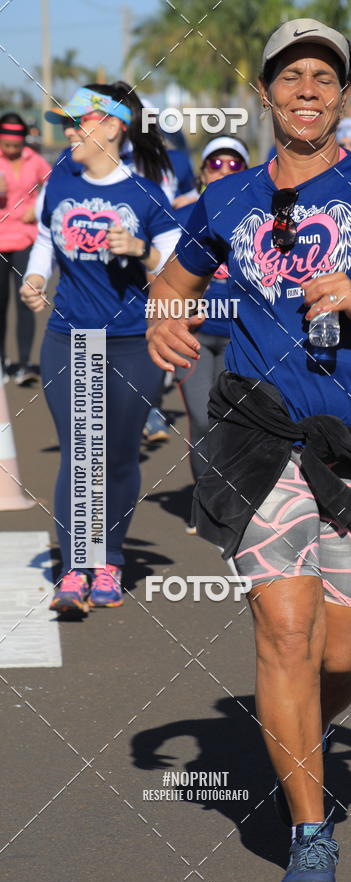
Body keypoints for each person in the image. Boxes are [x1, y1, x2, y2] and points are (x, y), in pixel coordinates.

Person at [147, 5, 351, 882]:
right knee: (286, 632)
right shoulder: (230, 197)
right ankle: (309, 831)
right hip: (257, 436)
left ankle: (297, 742)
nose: (308, 88)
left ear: (342, 93)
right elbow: (177, 276)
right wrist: (163, 312)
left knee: (342, 651)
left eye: (323, 75)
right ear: (264, 94)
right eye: (291, 75)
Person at [20, 83, 181, 618]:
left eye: (77, 122)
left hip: (134, 341)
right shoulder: (60, 179)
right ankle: (74, 567)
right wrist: (38, 277)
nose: (67, 132)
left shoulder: (146, 194)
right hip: (71, 336)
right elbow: (45, 236)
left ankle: (109, 558)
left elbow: (178, 270)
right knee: (79, 453)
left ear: (111, 126)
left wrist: (140, 249)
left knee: (115, 455)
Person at [172, 135, 249, 532]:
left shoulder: (261, 214)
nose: (224, 171)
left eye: (234, 165)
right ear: (202, 172)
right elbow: (163, 277)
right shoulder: (183, 214)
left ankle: (233, 500)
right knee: (203, 419)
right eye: (215, 164)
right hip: (197, 336)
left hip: (243, 338)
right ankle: (206, 498)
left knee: (235, 423)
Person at [0, 113, 51, 385]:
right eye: (5, 145)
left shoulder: (34, 159)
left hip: (26, 238)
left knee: (25, 299)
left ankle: (22, 364)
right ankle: (1, 362)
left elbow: (56, 183)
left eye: (15, 145)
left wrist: (38, 206)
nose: (10, 150)